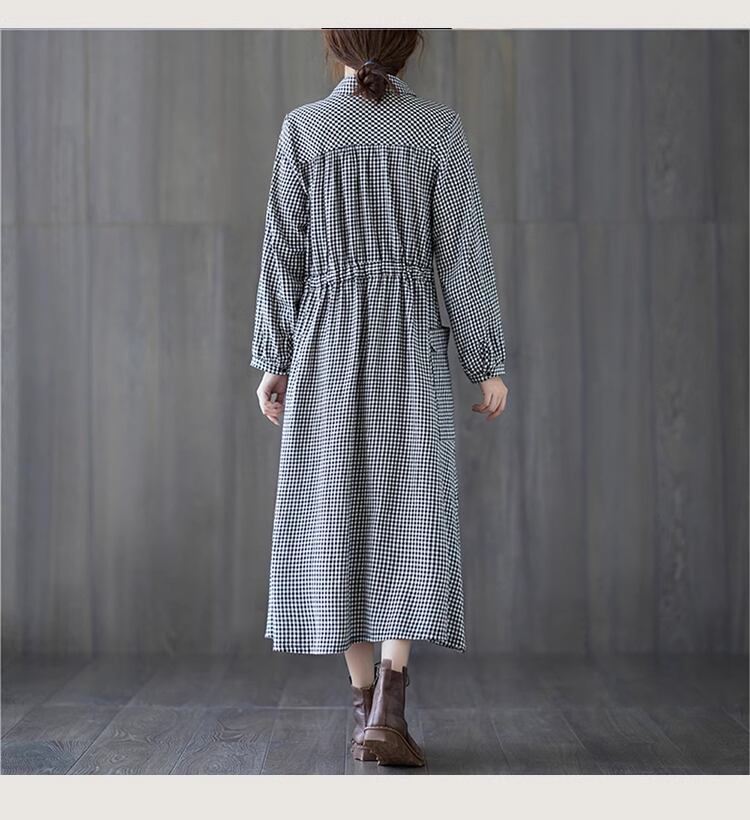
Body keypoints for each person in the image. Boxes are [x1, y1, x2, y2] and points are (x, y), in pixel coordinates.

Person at [250, 29, 508, 767]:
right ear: (408, 47)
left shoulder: (304, 128)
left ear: (335, 46)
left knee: (336, 510)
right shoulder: (437, 130)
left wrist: (273, 358)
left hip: (324, 342)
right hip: (410, 343)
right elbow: (463, 253)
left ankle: (366, 709)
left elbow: (283, 255)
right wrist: (485, 362)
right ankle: (388, 708)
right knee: (409, 509)